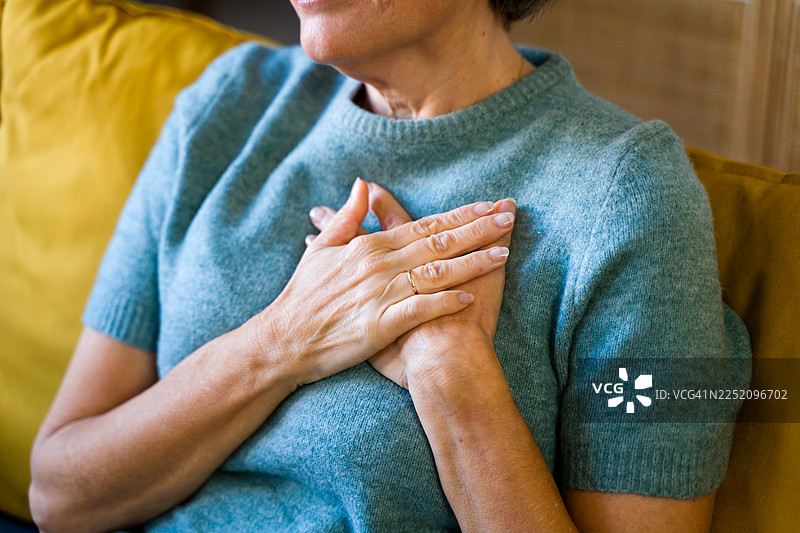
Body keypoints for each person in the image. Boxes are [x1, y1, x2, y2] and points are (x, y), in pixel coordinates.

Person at [28, 0, 752, 531]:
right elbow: (60, 493)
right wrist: (284, 339)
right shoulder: (230, 103)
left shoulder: (628, 194)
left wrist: (452, 375)